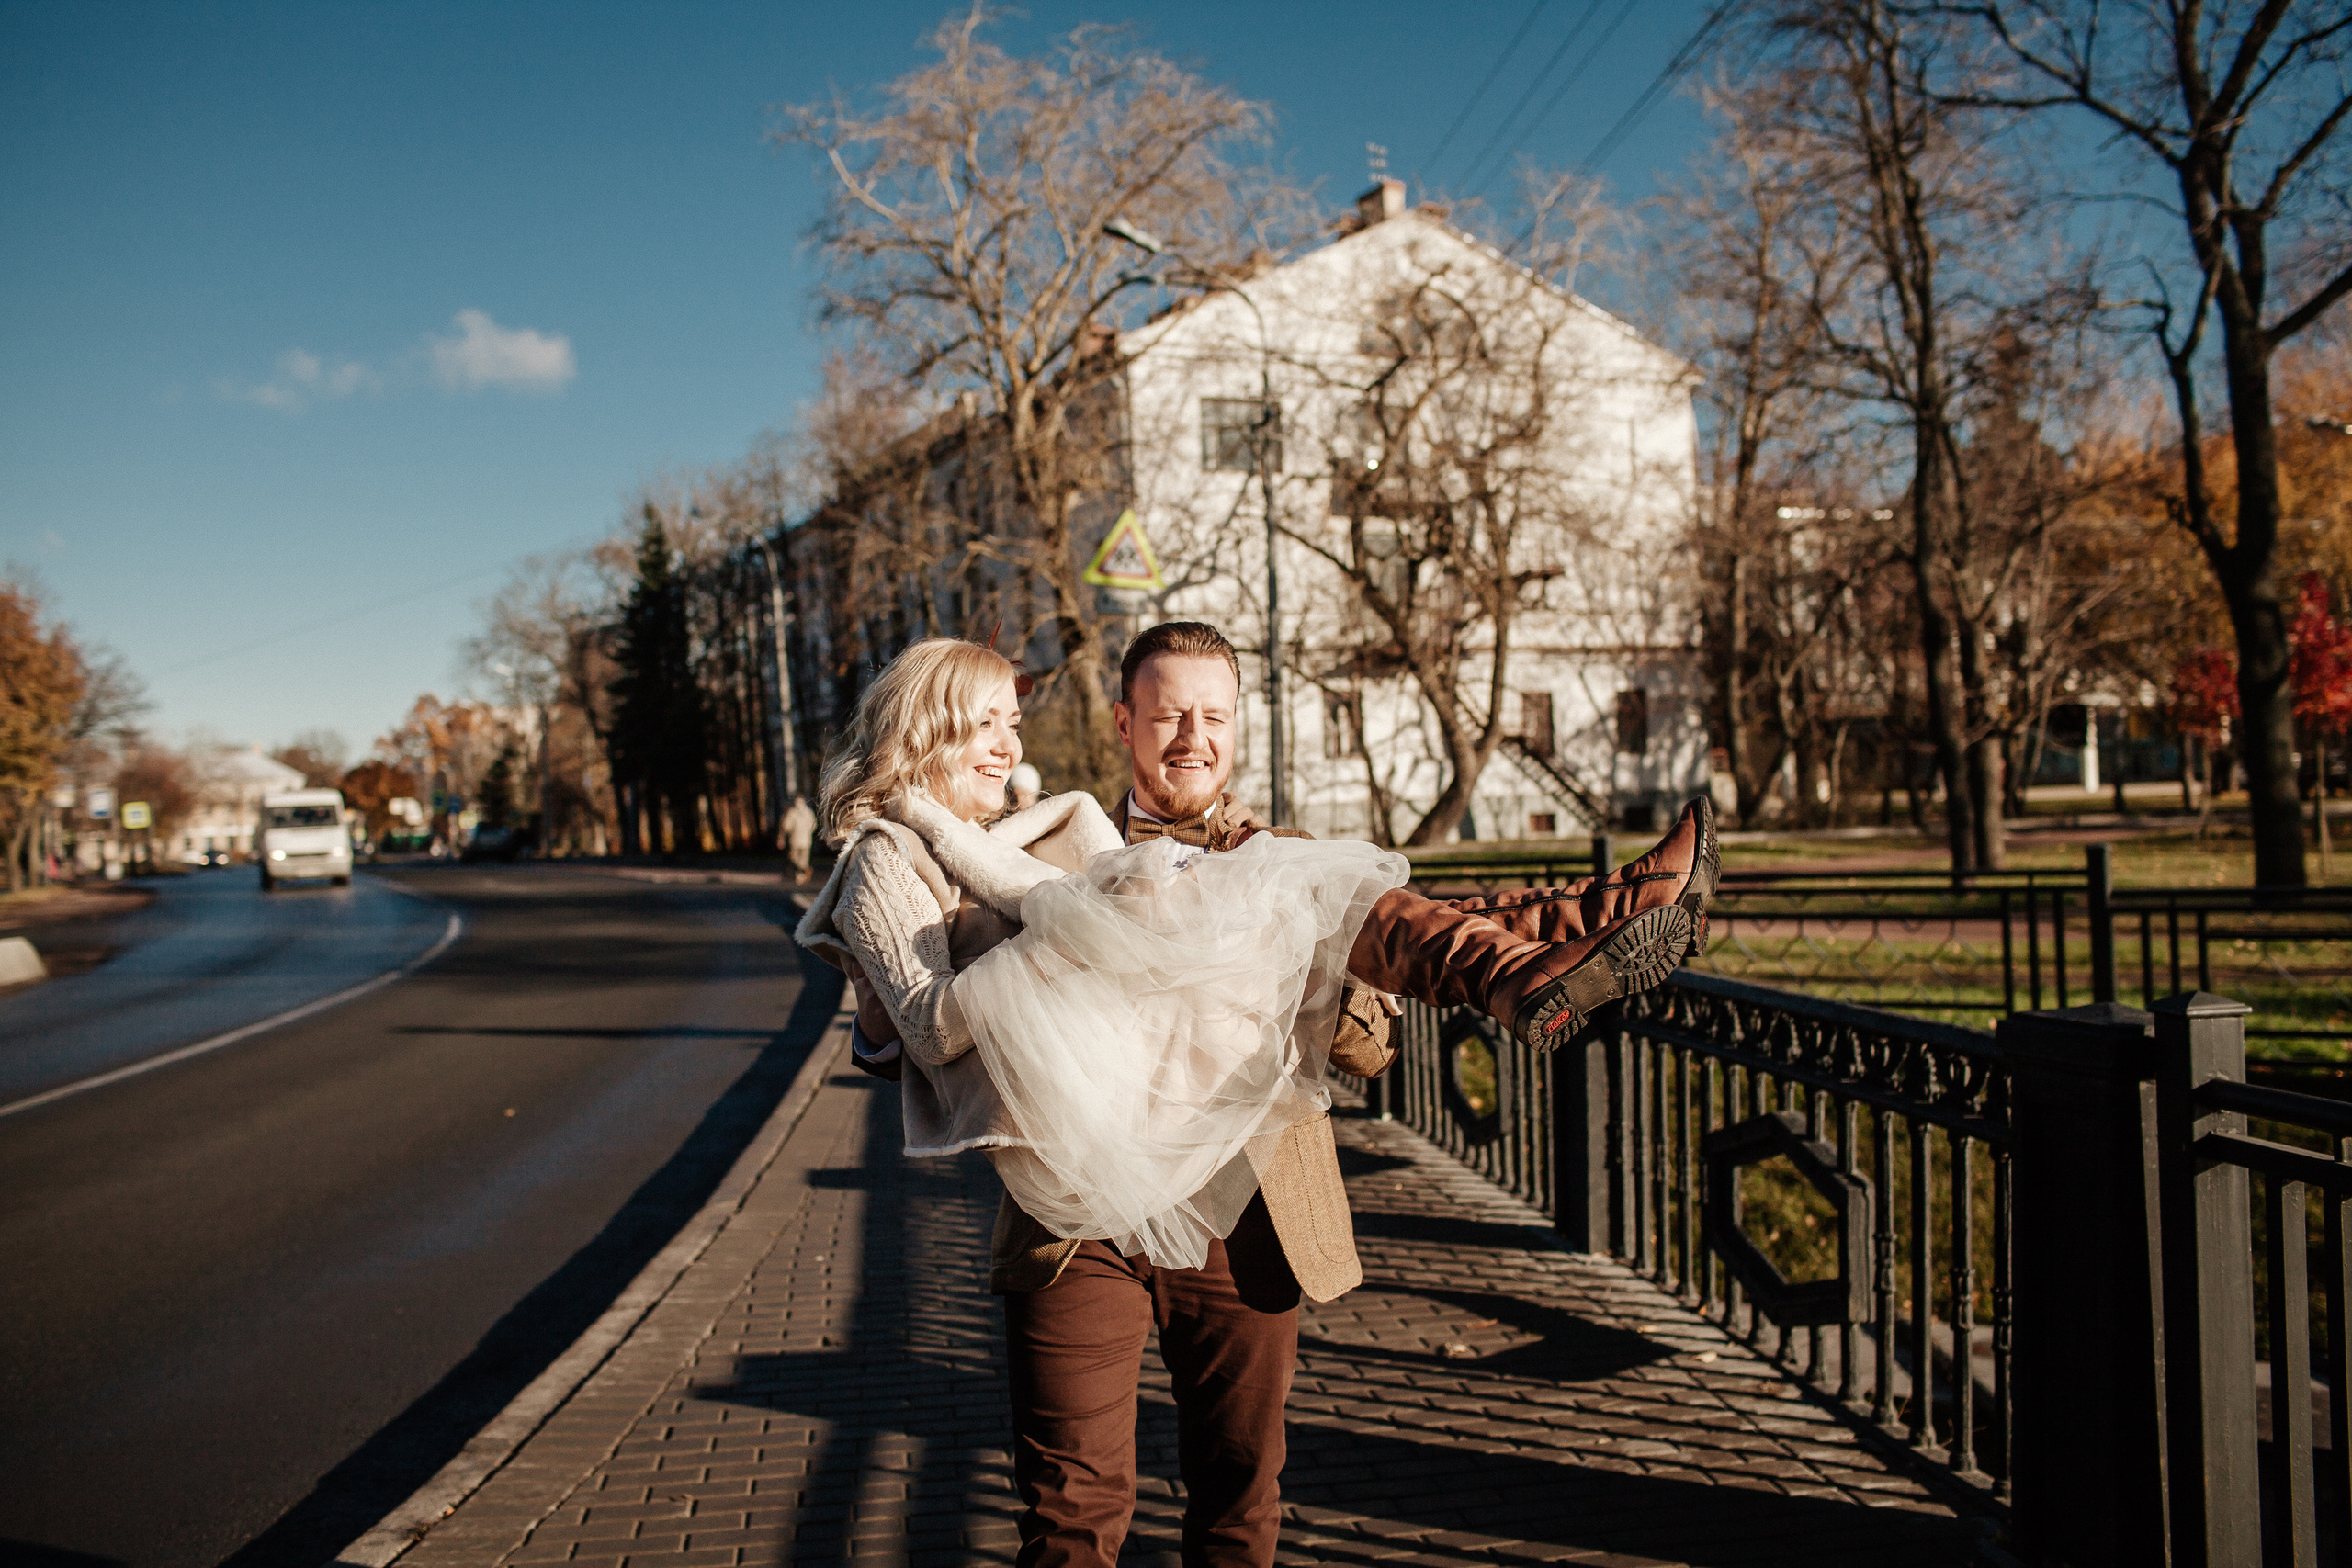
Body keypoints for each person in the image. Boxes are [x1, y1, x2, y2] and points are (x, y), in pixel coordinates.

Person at [797, 626, 1713, 1568]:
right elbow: (929, 1016)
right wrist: (890, 1009)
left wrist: (1298, 980)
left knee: (1239, 1501)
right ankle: (1578, 927)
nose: (1192, 738)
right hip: (1077, 1222)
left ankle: (1572, 936)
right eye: (1169, 716)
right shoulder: (1055, 843)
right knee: (1069, 1513)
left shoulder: (1283, 857)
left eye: (1214, 717)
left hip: (1245, 1215)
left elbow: (1370, 1051)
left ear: (1237, 727)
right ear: (1124, 724)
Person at [780, 794, 818, 884]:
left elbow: (786, 826)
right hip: (806, 840)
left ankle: (801, 875)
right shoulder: (809, 812)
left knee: (795, 858)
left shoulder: (792, 812)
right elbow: (814, 826)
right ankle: (803, 872)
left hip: (795, 840)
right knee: (803, 859)